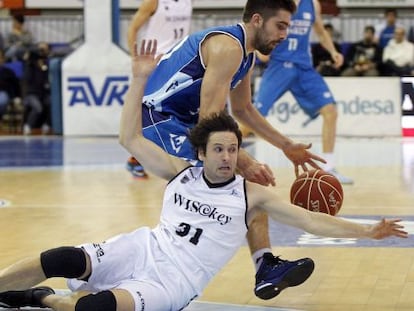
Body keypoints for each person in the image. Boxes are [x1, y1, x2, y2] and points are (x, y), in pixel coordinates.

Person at [0, 41, 407, 311]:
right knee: (62, 257)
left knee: (95, 308)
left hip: (173, 283)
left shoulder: (252, 196)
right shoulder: (179, 173)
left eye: (234, 149)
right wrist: (139, 80)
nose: (229, 156)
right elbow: (128, 137)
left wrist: (369, 231)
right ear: (201, 153)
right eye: (220, 149)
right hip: (144, 249)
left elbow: (312, 220)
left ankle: (42, 298)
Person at [131, 0, 330, 301]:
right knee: (241, 180)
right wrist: (245, 161)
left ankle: (263, 265)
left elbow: (243, 109)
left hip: (180, 121)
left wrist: (287, 146)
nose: (285, 35)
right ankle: (180, 266)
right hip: (155, 118)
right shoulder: (228, 48)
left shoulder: (245, 56)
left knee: (246, 184)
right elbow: (209, 121)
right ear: (258, 20)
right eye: (281, 26)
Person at [249, 0, 354, 185]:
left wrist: (333, 51)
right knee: (251, 117)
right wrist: (259, 48)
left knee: (330, 111)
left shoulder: (313, 4)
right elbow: (258, 25)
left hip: (304, 67)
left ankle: (328, 167)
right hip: (279, 65)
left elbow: (320, 31)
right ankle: (228, 156)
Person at [125, 0, 193, 178]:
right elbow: (132, 29)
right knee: (147, 112)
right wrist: (135, 58)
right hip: (154, 63)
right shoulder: (153, 2)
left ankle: (182, 156)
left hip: (179, 62)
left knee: (181, 110)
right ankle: (135, 158)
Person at [21, 42, 51, 135]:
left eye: (44, 50)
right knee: (38, 108)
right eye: (40, 50)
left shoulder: (48, 64)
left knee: (52, 103)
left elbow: (48, 80)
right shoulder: (29, 64)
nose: (41, 52)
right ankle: (28, 126)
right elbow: (27, 77)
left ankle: (47, 125)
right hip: (31, 94)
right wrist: (29, 61)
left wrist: (43, 66)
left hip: (44, 93)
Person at [0, 49, 21, 121]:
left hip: (3, 93)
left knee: (2, 100)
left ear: (3, 59)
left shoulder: (8, 72)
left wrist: (17, 97)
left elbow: (16, 85)